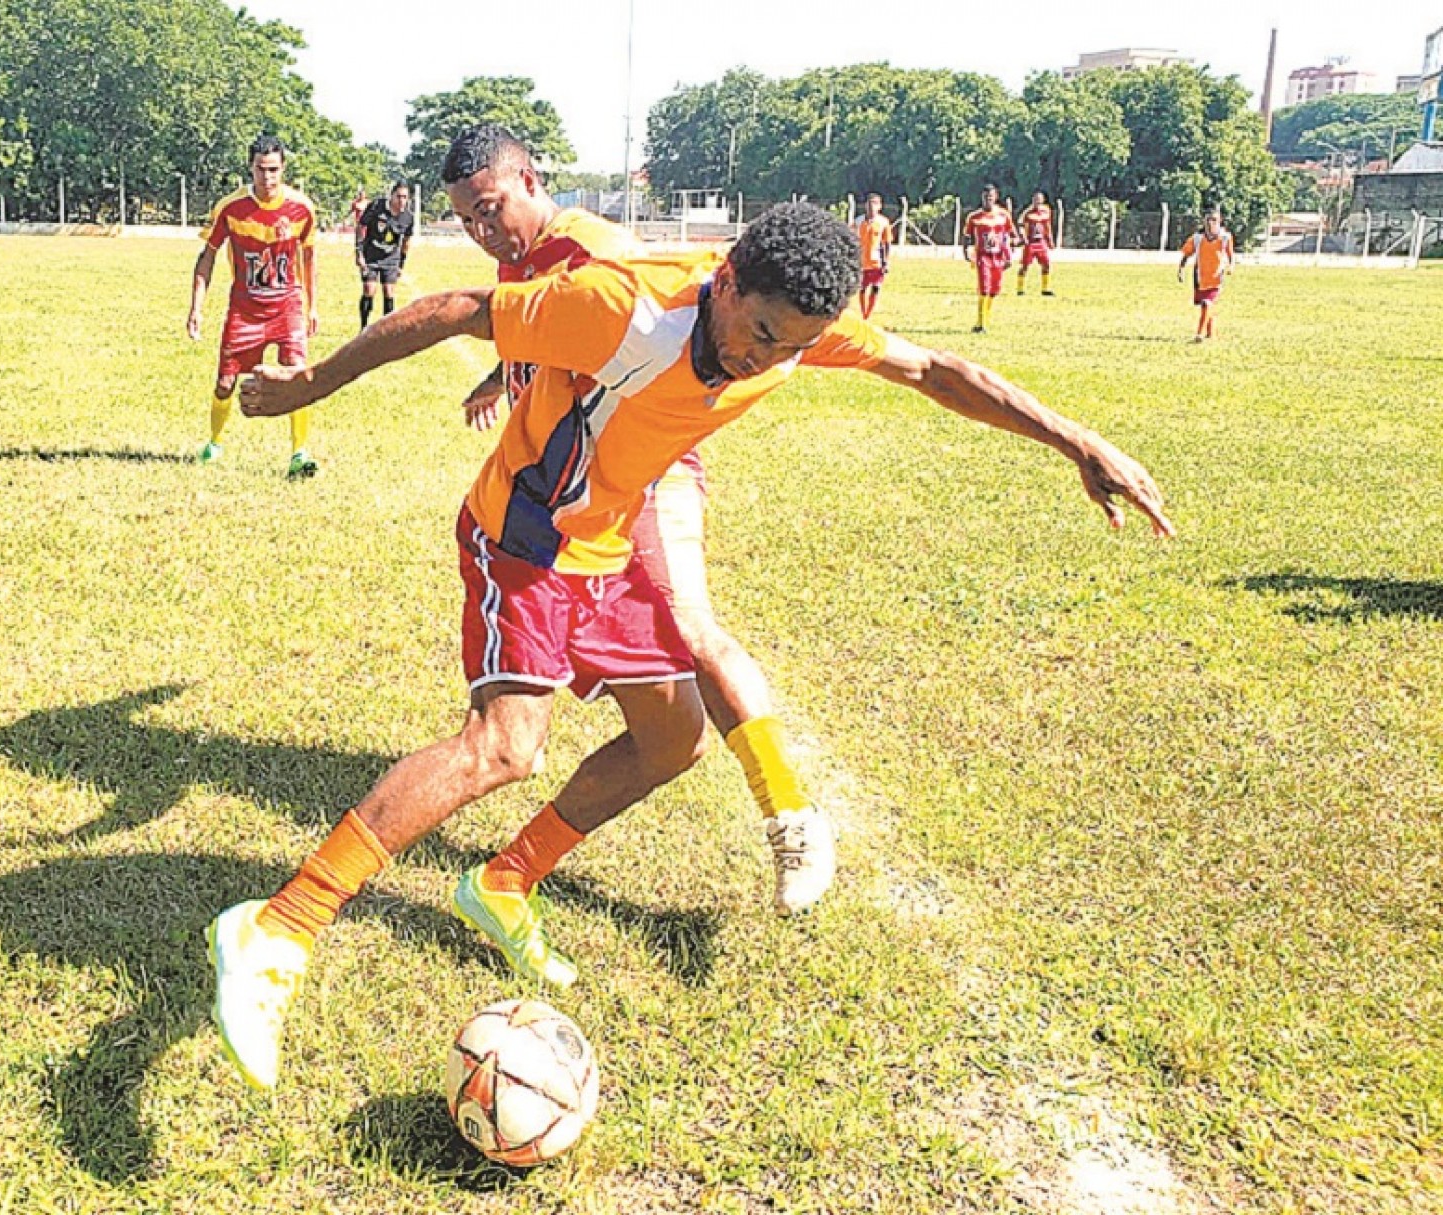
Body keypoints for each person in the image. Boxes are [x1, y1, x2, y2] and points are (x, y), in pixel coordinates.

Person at [207, 201, 1174, 1090]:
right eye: (757, 333)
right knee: (506, 747)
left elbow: (931, 370)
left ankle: (501, 880)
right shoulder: (620, 307)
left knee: (672, 740)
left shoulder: (800, 325)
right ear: (726, 282)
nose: (765, 359)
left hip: (612, 539)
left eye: (789, 348)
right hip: (527, 534)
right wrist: (310, 382)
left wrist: (1076, 442)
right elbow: (459, 307)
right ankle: (276, 927)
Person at [447, 123, 835, 917]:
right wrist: (501, 374)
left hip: (639, 472)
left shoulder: (596, 247)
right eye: (465, 219)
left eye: (489, 209)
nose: (482, 231)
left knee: (691, 628)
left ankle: (790, 814)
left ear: (528, 180)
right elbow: (553, 331)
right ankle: (507, 873)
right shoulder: (527, 260)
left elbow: (646, 331)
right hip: (578, 500)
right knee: (666, 729)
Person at [187, 134, 320, 477]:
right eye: (261, 170)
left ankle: (299, 453)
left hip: (286, 305)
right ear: (251, 168)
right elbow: (208, 256)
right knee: (225, 384)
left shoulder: (302, 209)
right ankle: (214, 443)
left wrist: (312, 307)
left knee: (298, 374)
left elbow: (308, 258)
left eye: (274, 170)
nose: (268, 178)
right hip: (245, 309)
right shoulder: (230, 208)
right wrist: (196, 307)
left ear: (284, 168)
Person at [355, 182, 415, 329]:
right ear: (391, 196)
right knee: (369, 289)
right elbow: (361, 226)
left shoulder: (408, 217)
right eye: (399, 196)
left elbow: (406, 241)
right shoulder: (376, 207)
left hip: (391, 258)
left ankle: (386, 330)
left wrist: (401, 264)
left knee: (389, 292)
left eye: (405, 197)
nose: (402, 201)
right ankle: (363, 328)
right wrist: (359, 252)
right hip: (371, 256)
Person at [962, 184, 1015, 332]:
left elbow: (1008, 236)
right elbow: (967, 236)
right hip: (982, 256)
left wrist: (1009, 255)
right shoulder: (974, 217)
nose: (988, 199)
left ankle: (986, 317)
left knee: (994, 290)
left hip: (998, 256)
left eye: (991, 196)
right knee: (984, 288)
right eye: (985, 197)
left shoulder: (1003, 216)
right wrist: (965, 251)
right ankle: (980, 323)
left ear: (996, 197)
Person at [1178, 212, 1234, 343]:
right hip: (1200, 278)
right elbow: (1187, 254)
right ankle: (1210, 333)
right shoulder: (1197, 238)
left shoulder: (1225, 237)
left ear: (1220, 222)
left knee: (1207, 303)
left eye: (1214, 220)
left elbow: (1231, 255)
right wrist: (1181, 269)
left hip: (1216, 278)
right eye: (1208, 220)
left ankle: (1199, 334)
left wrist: (1231, 267)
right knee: (1205, 306)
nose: (1210, 223)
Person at [854, 193, 893, 320]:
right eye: (869, 203)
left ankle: (868, 315)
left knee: (876, 288)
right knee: (862, 289)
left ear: (880, 206)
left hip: (877, 261)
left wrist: (886, 261)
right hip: (862, 261)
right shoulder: (858, 221)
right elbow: (852, 239)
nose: (871, 206)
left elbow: (887, 243)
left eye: (875, 203)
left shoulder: (883, 222)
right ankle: (863, 311)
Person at [1015, 192, 1055, 297]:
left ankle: (1045, 289)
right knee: (1025, 266)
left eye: (1039, 199)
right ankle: (1020, 289)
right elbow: (1020, 224)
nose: (1037, 202)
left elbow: (1047, 226)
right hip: (1030, 242)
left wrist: (1050, 239)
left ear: (1042, 200)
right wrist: (1023, 236)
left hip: (1041, 242)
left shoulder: (1046, 211)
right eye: (1035, 199)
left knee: (1046, 265)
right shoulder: (1028, 212)